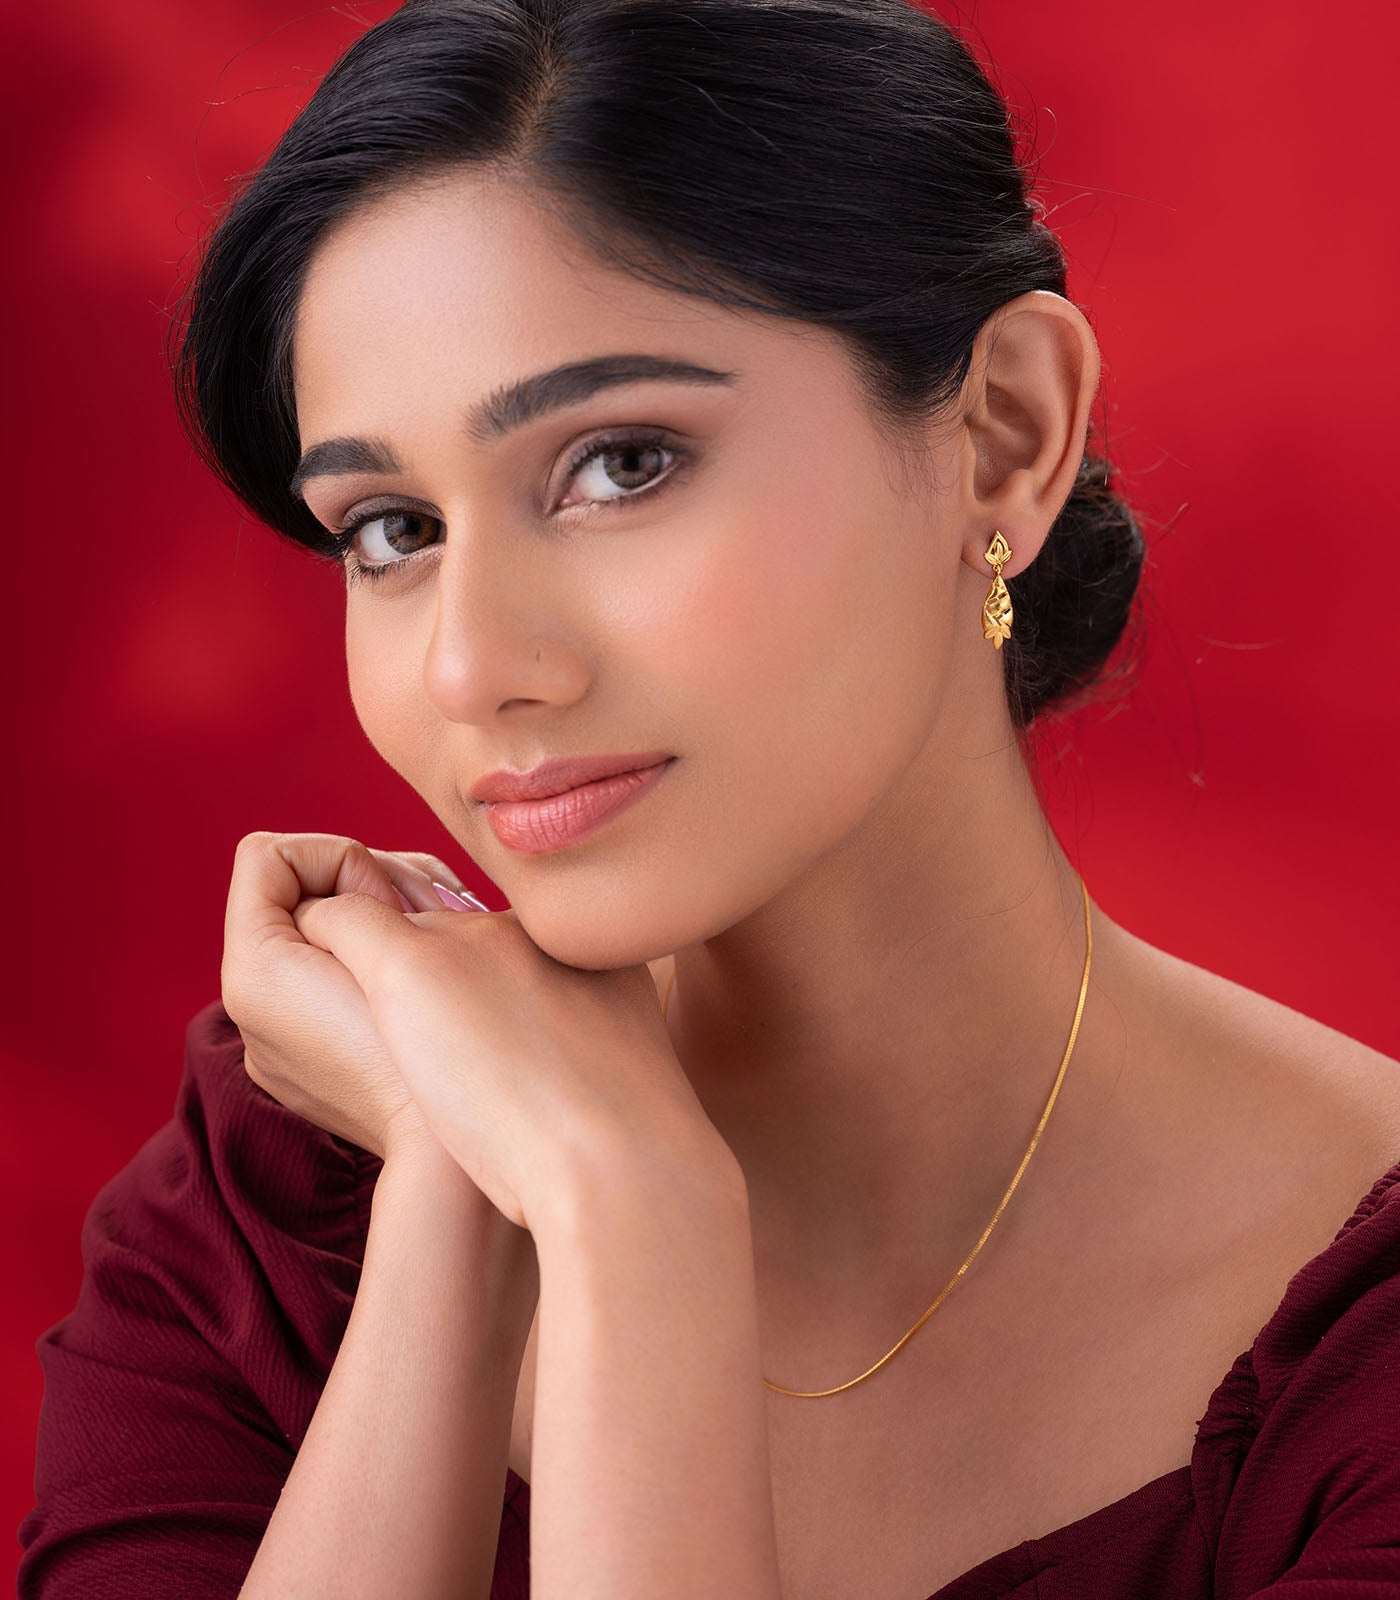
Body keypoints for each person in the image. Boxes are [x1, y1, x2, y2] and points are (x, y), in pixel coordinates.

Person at [18, 0, 1400, 1595]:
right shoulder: (292, 1194)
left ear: (1005, 437)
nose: (472, 667)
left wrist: (634, 1227)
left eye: (621, 464)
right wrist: (460, 1210)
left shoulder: (1353, 1350)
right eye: (392, 528)